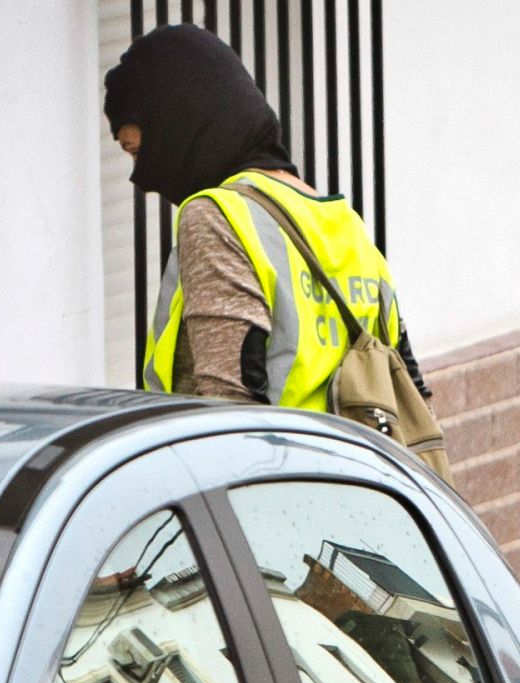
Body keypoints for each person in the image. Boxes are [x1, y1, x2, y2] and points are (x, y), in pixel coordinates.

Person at [103, 24, 429, 408]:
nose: (140, 177)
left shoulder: (216, 217)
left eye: (138, 151)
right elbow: (412, 389)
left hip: (277, 467)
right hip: (353, 467)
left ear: (179, 125)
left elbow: (232, 412)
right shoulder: (343, 222)